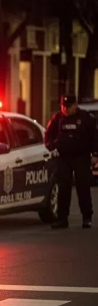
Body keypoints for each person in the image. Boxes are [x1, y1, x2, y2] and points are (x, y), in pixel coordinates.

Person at [45, 95, 98, 229]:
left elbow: (95, 137)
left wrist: (95, 154)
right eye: (63, 106)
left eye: (68, 107)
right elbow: (48, 135)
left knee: (83, 187)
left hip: (81, 157)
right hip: (64, 157)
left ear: (75, 105)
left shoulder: (86, 118)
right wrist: (53, 147)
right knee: (63, 188)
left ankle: (87, 218)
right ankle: (62, 219)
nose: (65, 109)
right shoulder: (57, 118)